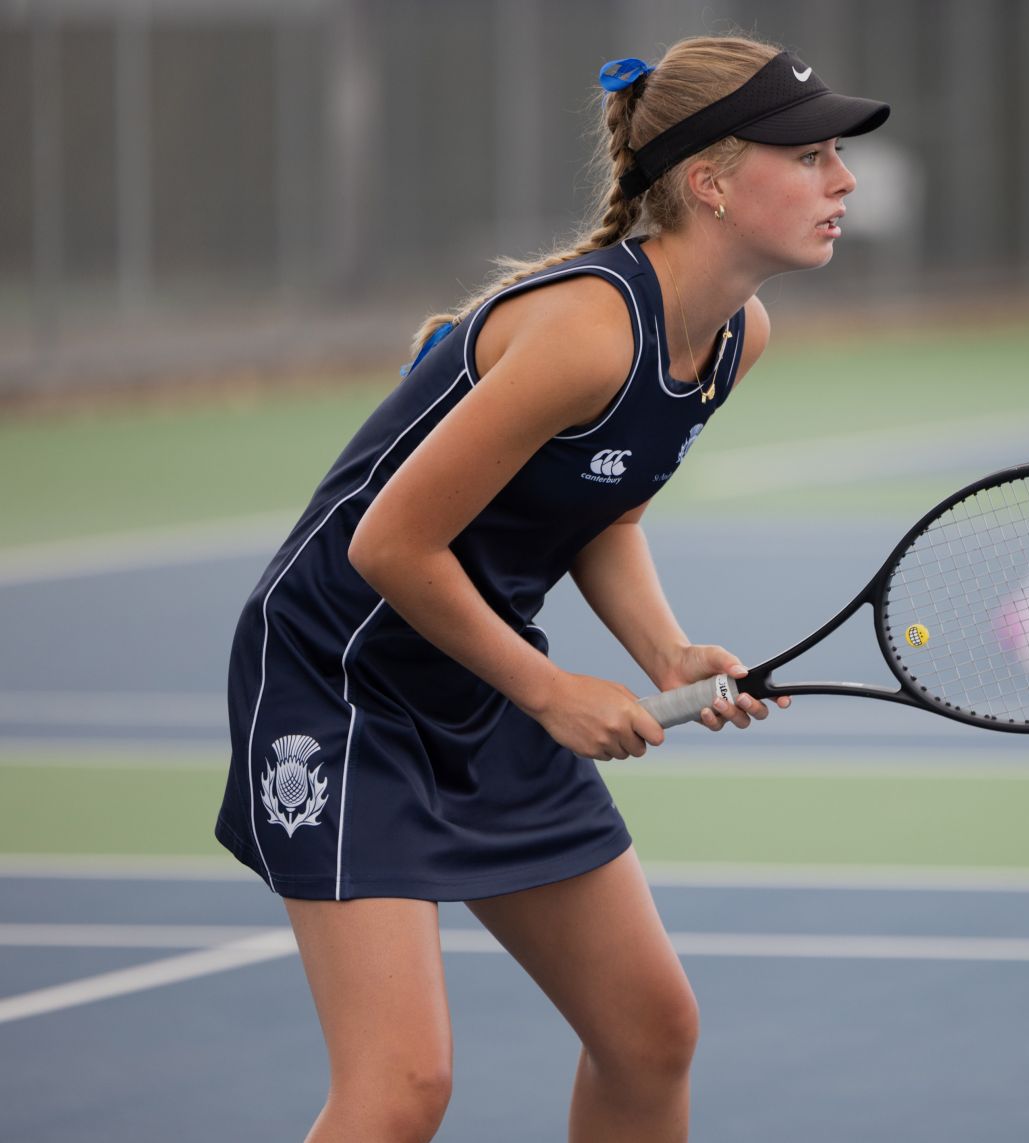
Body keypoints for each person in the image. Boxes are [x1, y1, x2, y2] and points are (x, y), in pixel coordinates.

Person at [213, 35, 887, 1142]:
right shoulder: (585, 332)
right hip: (341, 684)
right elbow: (391, 549)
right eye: (808, 156)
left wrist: (664, 654)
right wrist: (548, 690)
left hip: (476, 668)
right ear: (711, 182)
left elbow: (604, 507)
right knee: (400, 1091)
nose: (843, 180)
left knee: (650, 1033)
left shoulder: (731, 337)